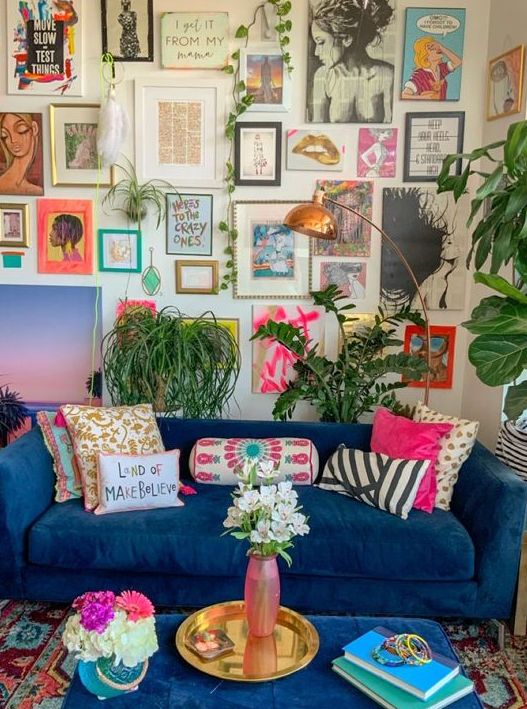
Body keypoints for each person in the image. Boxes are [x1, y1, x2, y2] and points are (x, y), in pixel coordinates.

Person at [309, 0, 394, 123]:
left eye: (321, 42)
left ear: (347, 39)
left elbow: (392, 131)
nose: (316, 52)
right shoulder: (323, 76)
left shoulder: (387, 75)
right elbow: (318, 130)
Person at [0, 113, 42, 196]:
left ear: (34, 128)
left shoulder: (36, 189)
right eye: (5, 135)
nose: (13, 140)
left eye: (20, 130)